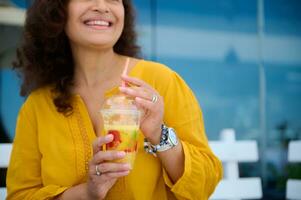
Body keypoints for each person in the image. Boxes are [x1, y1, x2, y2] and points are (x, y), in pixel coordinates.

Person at [6, 0, 222, 199]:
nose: (102, 6)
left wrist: (159, 134)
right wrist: (86, 193)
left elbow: (205, 184)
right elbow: (20, 195)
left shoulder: (161, 81)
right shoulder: (37, 105)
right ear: (57, 11)